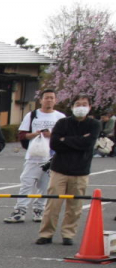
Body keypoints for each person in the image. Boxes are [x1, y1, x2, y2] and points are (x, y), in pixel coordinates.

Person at [37, 94, 101, 246]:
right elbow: (54, 144)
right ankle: (46, 233)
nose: (81, 107)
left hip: (81, 170)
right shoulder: (62, 123)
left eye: (84, 104)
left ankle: (68, 234)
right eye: (78, 104)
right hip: (59, 169)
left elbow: (88, 144)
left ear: (90, 107)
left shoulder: (94, 124)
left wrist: (66, 140)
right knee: (53, 204)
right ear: (72, 107)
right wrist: (78, 139)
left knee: (75, 206)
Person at [4, 90, 65, 224]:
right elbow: (22, 135)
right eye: (46, 98)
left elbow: (65, 137)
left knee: (45, 186)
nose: (49, 100)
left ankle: (39, 209)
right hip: (34, 156)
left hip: (52, 157)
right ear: (41, 100)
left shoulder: (60, 117)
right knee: (27, 182)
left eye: (51, 98)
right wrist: (36, 134)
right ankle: (20, 210)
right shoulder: (32, 115)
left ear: (55, 100)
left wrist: (52, 135)